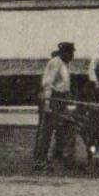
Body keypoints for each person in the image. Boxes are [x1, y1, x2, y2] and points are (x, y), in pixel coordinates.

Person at [34, 40, 75, 170]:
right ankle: (40, 161)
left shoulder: (64, 64)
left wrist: (68, 98)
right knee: (47, 131)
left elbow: (64, 85)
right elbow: (48, 84)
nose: (72, 56)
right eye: (71, 53)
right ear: (64, 53)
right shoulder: (55, 63)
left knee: (68, 126)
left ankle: (62, 155)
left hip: (61, 99)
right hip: (52, 99)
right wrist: (47, 104)